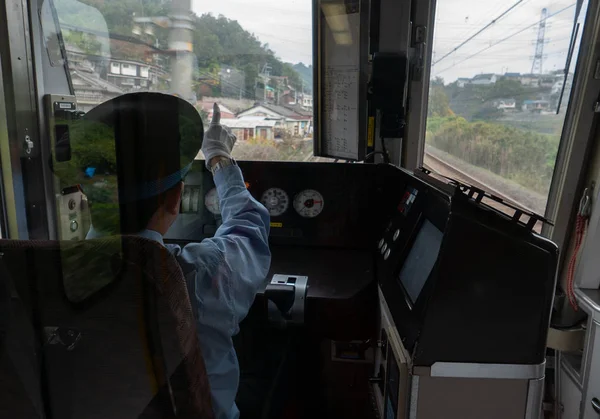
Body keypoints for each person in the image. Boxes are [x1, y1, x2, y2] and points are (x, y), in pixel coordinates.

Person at [65, 93, 271, 418]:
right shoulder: (198, 272)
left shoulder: (46, 270)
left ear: (85, 191)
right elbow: (249, 232)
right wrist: (218, 156)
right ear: (176, 197)